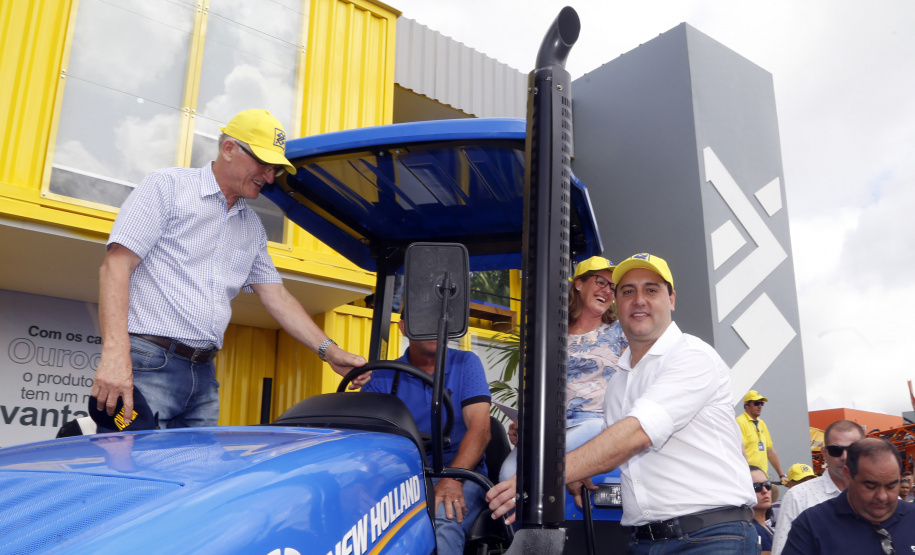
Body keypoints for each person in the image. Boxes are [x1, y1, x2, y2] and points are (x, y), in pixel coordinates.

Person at [91, 109, 367, 429]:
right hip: (148, 362)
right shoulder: (168, 186)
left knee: (199, 465)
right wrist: (114, 354)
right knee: (132, 462)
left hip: (204, 375)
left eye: (274, 169)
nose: (268, 177)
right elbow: (115, 266)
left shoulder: (252, 227)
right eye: (263, 164)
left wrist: (330, 352)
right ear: (229, 148)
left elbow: (277, 296)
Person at [487, 252, 758, 554]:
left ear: (671, 299)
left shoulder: (692, 355)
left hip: (710, 537)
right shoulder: (618, 382)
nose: (639, 300)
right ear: (617, 302)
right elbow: (613, 447)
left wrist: (545, 476)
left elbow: (636, 433)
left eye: (651, 290)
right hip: (644, 541)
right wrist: (579, 470)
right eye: (628, 292)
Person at [361, 312, 492, 555]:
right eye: (425, 320)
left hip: (460, 473)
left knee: (442, 519)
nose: (436, 329)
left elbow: (481, 429)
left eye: (443, 321)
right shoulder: (381, 375)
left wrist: (451, 479)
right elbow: (370, 442)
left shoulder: (465, 363)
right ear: (404, 327)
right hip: (403, 476)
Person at [498, 255, 628, 481]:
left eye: (612, 287)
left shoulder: (620, 332)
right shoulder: (551, 333)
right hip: (549, 426)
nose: (607, 290)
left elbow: (634, 381)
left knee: (528, 475)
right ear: (579, 284)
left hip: (595, 422)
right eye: (600, 282)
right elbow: (535, 386)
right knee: (506, 475)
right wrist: (523, 424)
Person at [782, 438, 915, 555]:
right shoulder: (811, 526)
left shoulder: (912, 517)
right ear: (848, 474)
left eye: (891, 486)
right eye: (870, 486)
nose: (882, 496)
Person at [771, 419, 865, 555]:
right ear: (824, 453)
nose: (845, 457)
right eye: (836, 450)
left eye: (852, 450)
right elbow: (781, 550)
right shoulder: (797, 497)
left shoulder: (880, 495)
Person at [737, 390, 787, 483]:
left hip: (762, 478)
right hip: (749, 478)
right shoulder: (740, 422)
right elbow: (741, 451)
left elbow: (770, 451)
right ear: (746, 404)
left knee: (774, 490)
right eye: (756, 403)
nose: (760, 406)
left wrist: (781, 475)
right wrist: (747, 475)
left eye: (762, 403)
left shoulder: (761, 423)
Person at [750, 465, 775, 554]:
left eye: (767, 485)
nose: (765, 490)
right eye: (757, 487)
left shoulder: (767, 527)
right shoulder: (751, 530)